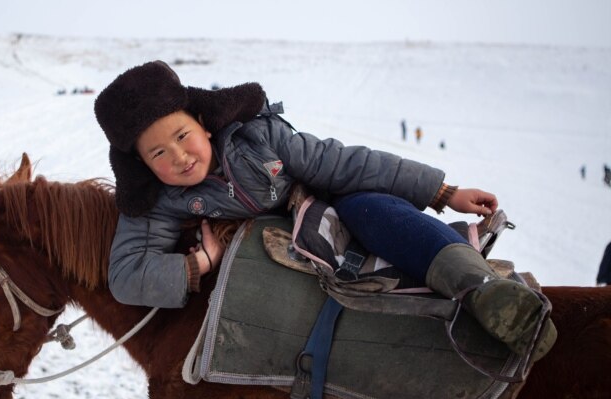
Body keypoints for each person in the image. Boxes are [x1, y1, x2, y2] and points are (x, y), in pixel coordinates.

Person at [93, 60, 556, 361]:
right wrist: (199, 262)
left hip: (327, 206)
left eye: (180, 135)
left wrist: (441, 191)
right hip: (272, 254)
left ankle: (483, 290)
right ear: (143, 166)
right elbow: (127, 272)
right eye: (157, 154)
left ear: (203, 122)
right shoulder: (159, 199)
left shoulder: (258, 138)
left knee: (372, 209)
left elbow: (342, 162)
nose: (177, 157)